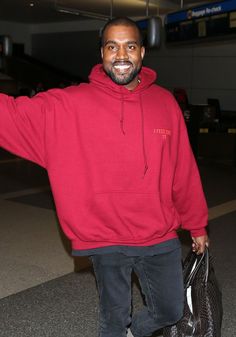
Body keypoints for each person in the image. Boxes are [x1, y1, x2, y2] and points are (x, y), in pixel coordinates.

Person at [0, 17, 209, 337]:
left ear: (142, 53)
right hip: (104, 235)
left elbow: (183, 168)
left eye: (130, 46)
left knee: (170, 310)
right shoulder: (69, 104)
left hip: (158, 231)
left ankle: (135, 332)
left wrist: (196, 223)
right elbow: (10, 114)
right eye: (112, 46)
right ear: (101, 53)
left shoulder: (165, 103)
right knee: (113, 321)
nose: (121, 54)